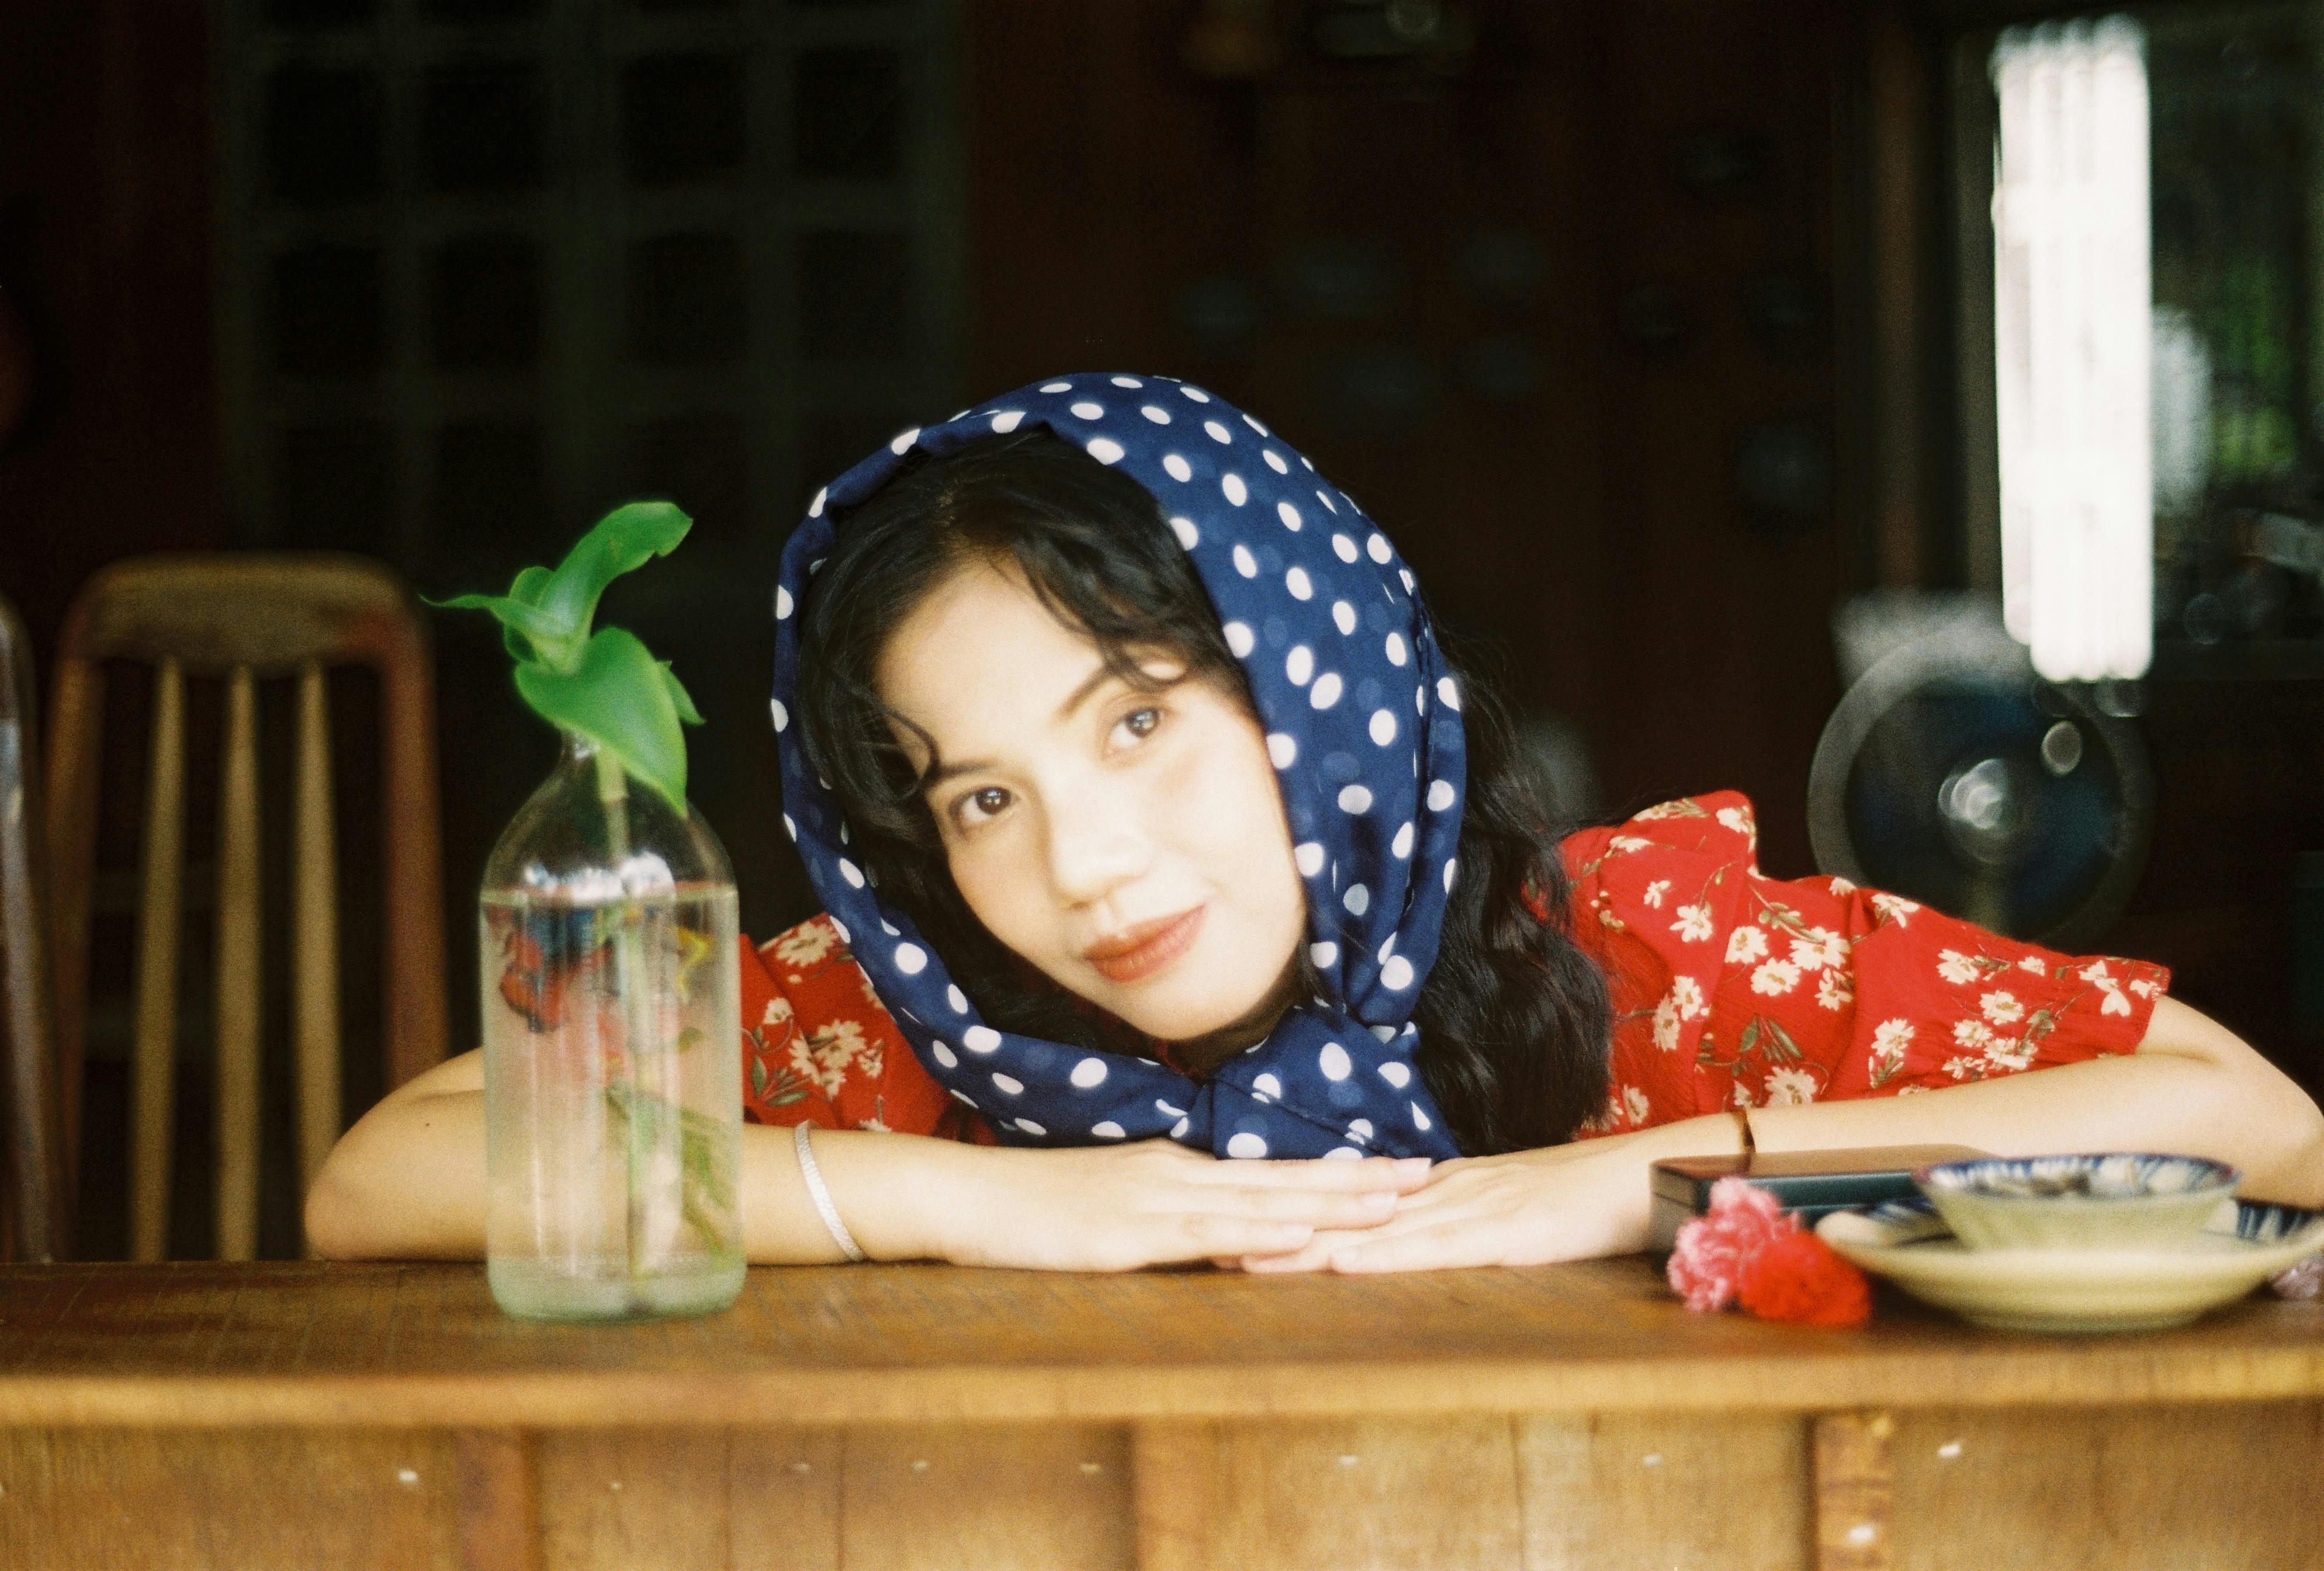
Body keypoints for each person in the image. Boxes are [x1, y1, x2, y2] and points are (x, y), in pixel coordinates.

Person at [308, 374, 2324, 1272]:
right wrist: (976, 1201)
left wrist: (1618, 1186)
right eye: (979, 797)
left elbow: (2250, 1119)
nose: (1080, 865)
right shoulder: (907, 1029)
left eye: (1140, 724)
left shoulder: (1631, 947)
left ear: (1321, 678)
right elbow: (383, 1174)